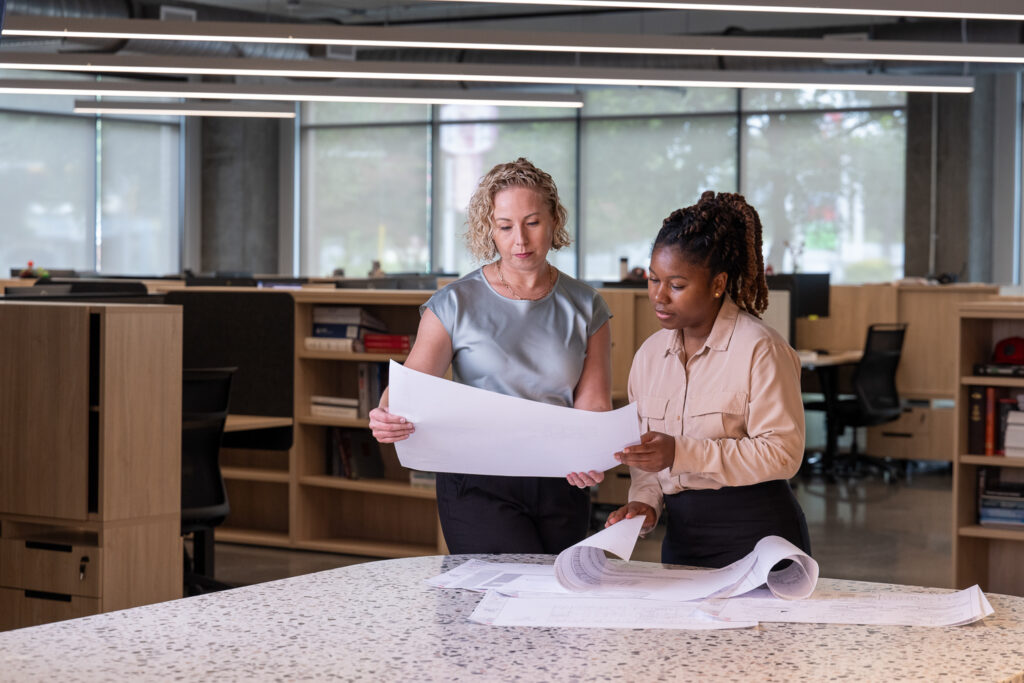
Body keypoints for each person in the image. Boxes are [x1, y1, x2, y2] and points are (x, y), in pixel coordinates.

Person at [369, 158, 612, 554]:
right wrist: (386, 415)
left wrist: (591, 450)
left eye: (532, 223)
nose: (521, 240)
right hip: (477, 480)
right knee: (501, 594)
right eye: (505, 227)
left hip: (561, 479)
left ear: (554, 221)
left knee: (554, 603)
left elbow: (594, 401)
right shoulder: (453, 304)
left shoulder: (587, 306)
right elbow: (409, 390)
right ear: (490, 231)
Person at [605, 190, 810, 569]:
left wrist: (681, 452)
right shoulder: (649, 357)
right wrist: (645, 502)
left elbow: (783, 453)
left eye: (677, 285)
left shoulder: (760, 349)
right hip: (683, 539)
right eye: (653, 280)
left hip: (759, 536)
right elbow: (647, 459)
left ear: (718, 284)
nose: (659, 297)